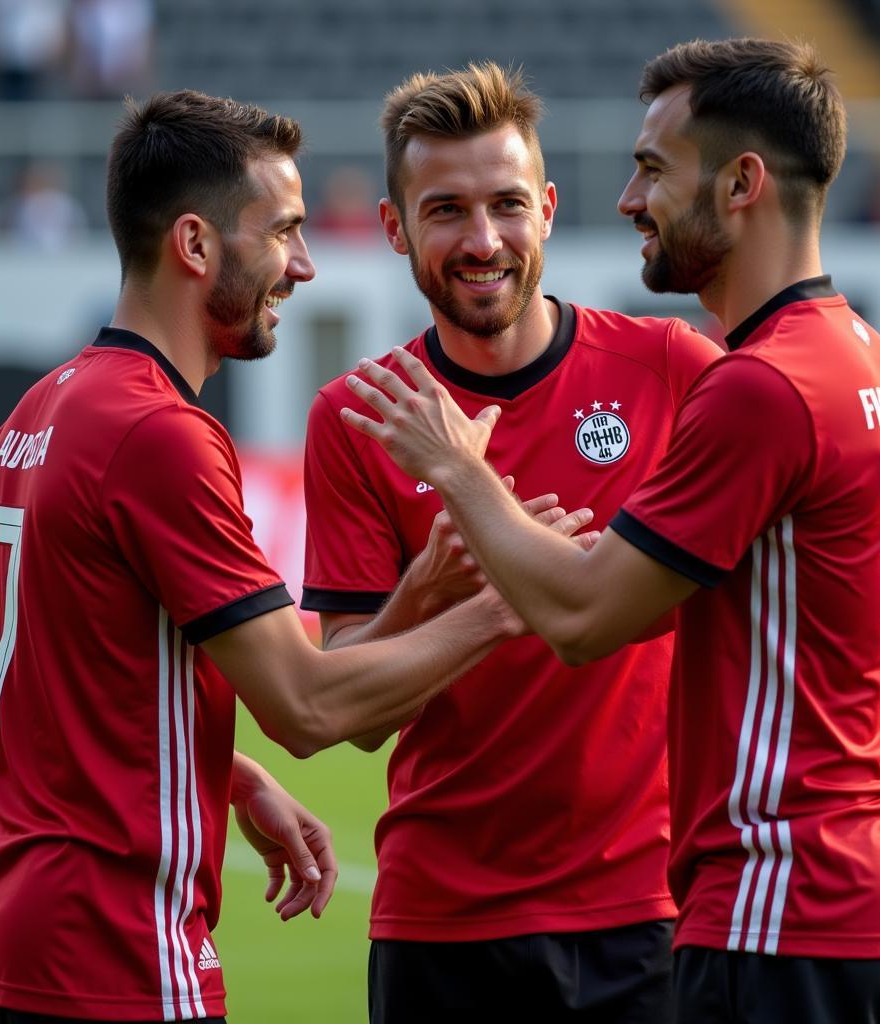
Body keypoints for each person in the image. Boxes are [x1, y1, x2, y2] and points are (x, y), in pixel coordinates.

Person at [0, 89, 576, 1024]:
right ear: (195, 246)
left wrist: (228, 775)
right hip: (113, 954)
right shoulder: (162, 436)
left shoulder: (37, 412)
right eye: (284, 232)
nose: (304, 265)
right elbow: (309, 707)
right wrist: (510, 598)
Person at [341, 40, 880, 1024]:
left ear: (742, 182)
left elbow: (584, 616)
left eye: (654, 169)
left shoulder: (752, 385)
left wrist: (458, 469)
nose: (628, 197)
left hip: (783, 905)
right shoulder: (863, 354)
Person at [302, 63, 722, 1022]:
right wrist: (426, 593)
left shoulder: (672, 371)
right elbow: (351, 711)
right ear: (394, 227)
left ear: (549, 209)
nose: (482, 240)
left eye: (507, 205)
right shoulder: (360, 416)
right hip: (441, 924)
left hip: (651, 912)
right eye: (445, 210)